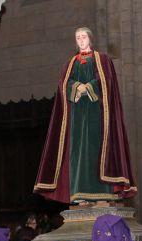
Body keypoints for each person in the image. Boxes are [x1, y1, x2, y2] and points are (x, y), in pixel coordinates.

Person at [34, 27, 136, 203]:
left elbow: (107, 81)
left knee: (96, 150)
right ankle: (80, 194)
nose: (81, 40)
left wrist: (88, 87)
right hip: (77, 117)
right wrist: (76, 87)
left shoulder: (102, 59)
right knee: (77, 153)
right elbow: (63, 84)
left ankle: (103, 194)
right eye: (78, 38)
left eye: (83, 37)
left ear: (90, 39)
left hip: (97, 115)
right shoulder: (70, 63)